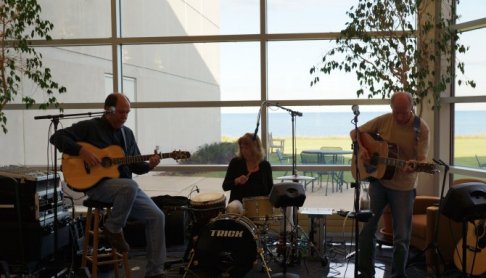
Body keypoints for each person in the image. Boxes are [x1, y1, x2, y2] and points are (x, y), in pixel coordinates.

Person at [50, 93, 167, 278]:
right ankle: (112, 228)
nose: (124, 116)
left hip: (126, 189)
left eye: (127, 113)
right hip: (98, 187)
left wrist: (150, 165)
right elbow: (57, 137)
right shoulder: (90, 127)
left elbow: (136, 165)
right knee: (129, 186)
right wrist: (82, 151)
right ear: (108, 110)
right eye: (121, 112)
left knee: (157, 216)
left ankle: (155, 272)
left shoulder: (127, 134)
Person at [350, 92, 430, 278]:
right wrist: (363, 150)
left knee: (401, 237)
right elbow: (355, 132)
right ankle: (366, 273)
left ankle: (397, 275)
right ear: (391, 108)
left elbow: (422, 159)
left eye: (405, 112)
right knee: (367, 230)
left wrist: (415, 165)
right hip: (378, 182)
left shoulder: (421, 128)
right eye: (397, 112)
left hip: (403, 187)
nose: (400, 117)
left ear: (411, 107)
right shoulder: (385, 120)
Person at [222, 132, 274, 214]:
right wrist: (237, 181)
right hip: (239, 204)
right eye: (242, 148)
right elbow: (225, 186)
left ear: (255, 148)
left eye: (246, 148)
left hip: (260, 205)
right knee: (233, 207)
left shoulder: (265, 165)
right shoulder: (236, 162)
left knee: (287, 205)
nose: (243, 151)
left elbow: (271, 190)